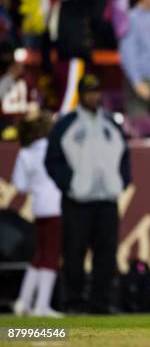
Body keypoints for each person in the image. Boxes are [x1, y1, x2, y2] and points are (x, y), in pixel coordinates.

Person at [45, 73, 131, 314]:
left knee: (106, 254)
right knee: (74, 252)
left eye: (96, 92)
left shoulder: (110, 124)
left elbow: (124, 157)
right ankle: (73, 302)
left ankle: (100, 302)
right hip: (77, 201)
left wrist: (121, 182)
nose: (93, 96)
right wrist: (69, 184)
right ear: (80, 95)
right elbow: (53, 160)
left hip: (107, 200)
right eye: (88, 92)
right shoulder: (66, 124)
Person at [11, 111, 62, 318]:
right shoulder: (53, 148)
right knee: (50, 256)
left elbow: (20, 185)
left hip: (39, 207)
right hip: (56, 207)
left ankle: (23, 301)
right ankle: (41, 306)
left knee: (39, 255)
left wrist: (36, 186)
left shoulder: (25, 153)